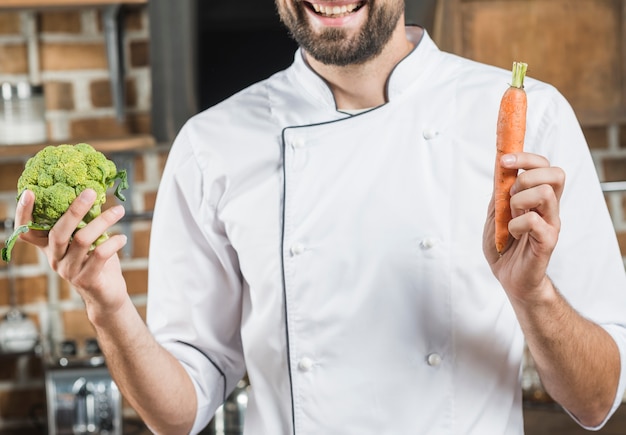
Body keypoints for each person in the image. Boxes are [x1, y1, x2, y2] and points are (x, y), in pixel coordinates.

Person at [14, 1, 626, 434]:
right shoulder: (212, 145)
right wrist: (108, 305)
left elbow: (597, 403)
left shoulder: (527, 118)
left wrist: (534, 295)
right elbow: (178, 413)